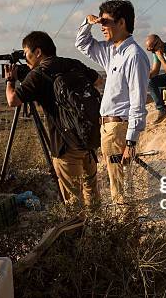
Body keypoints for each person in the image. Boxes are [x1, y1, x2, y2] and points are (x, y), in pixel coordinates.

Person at [5, 31, 100, 207]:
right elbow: (98, 80)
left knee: (74, 201)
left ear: (38, 52)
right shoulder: (72, 64)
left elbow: (13, 101)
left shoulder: (38, 74)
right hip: (88, 139)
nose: (26, 58)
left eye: (26, 53)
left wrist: (10, 80)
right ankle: (101, 228)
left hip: (65, 145)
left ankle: (79, 232)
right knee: (92, 192)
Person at [76, 0, 150, 205]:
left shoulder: (134, 55)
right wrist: (87, 22)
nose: (102, 27)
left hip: (119, 128)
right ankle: (126, 225)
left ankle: (125, 228)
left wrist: (131, 141)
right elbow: (82, 44)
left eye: (106, 22)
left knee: (121, 187)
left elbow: (138, 100)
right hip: (108, 128)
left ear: (122, 23)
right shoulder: (112, 52)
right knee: (116, 183)